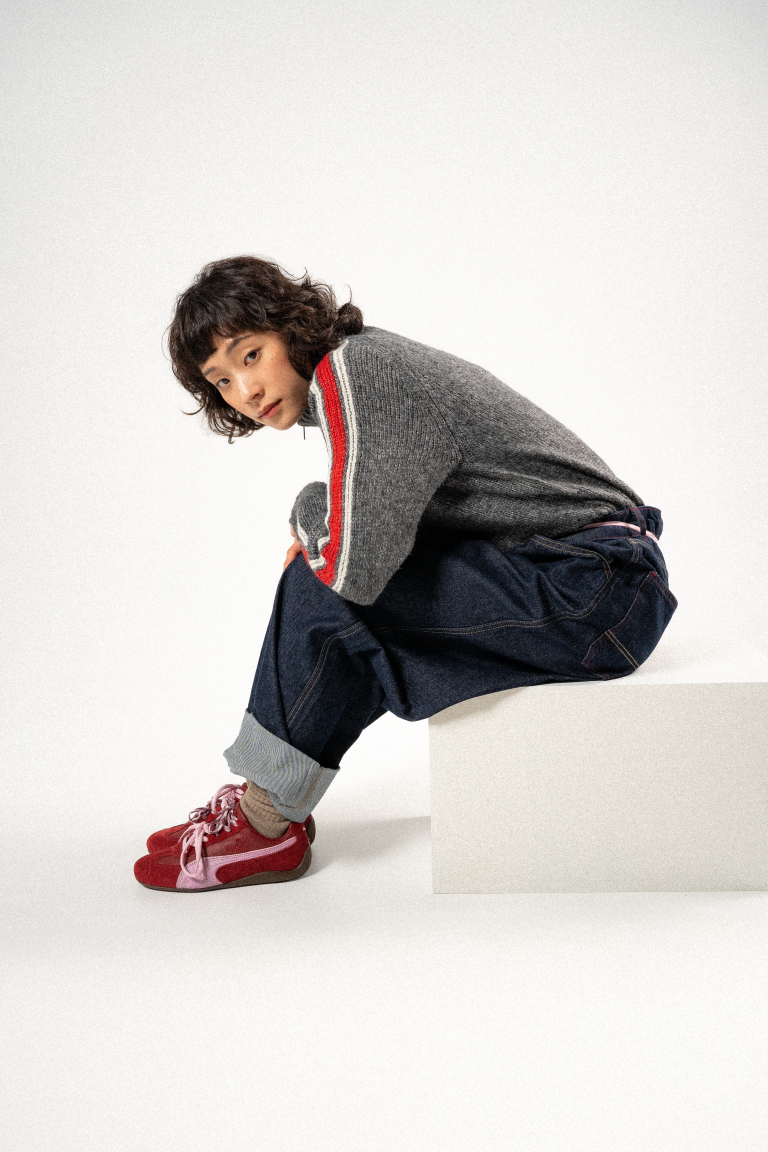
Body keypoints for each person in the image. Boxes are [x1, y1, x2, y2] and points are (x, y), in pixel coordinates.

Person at [134, 256, 678, 893]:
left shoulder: (359, 372)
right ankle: (270, 808)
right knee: (331, 587)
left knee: (323, 586)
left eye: (250, 355)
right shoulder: (356, 370)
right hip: (583, 579)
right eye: (222, 381)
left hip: (596, 586)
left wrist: (309, 514)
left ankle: (263, 822)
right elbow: (374, 549)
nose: (246, 391)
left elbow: (355, 573)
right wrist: (326, 540)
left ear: (289, 326)